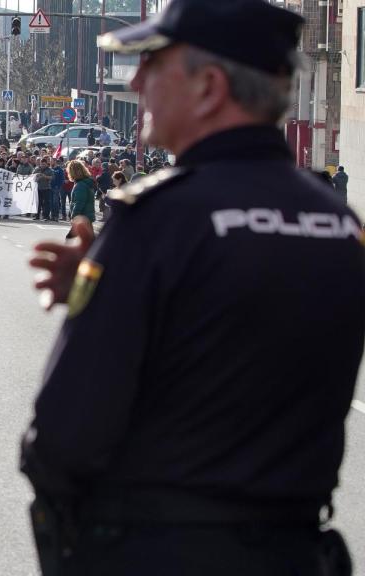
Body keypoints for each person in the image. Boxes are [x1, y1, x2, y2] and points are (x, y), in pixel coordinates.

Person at [23, 1, 365, 575]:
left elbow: (63, 435)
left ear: (209, 86)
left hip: (161, 549)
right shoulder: (339, 225)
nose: (138, 82)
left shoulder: (158, 220)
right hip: (295, 552)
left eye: (154, 64)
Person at [65, 159, 96, 223]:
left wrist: (73, 217)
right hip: (86, 217)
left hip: (82, 218)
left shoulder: (80, 185)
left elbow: (79, 203)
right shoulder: (85, 182)